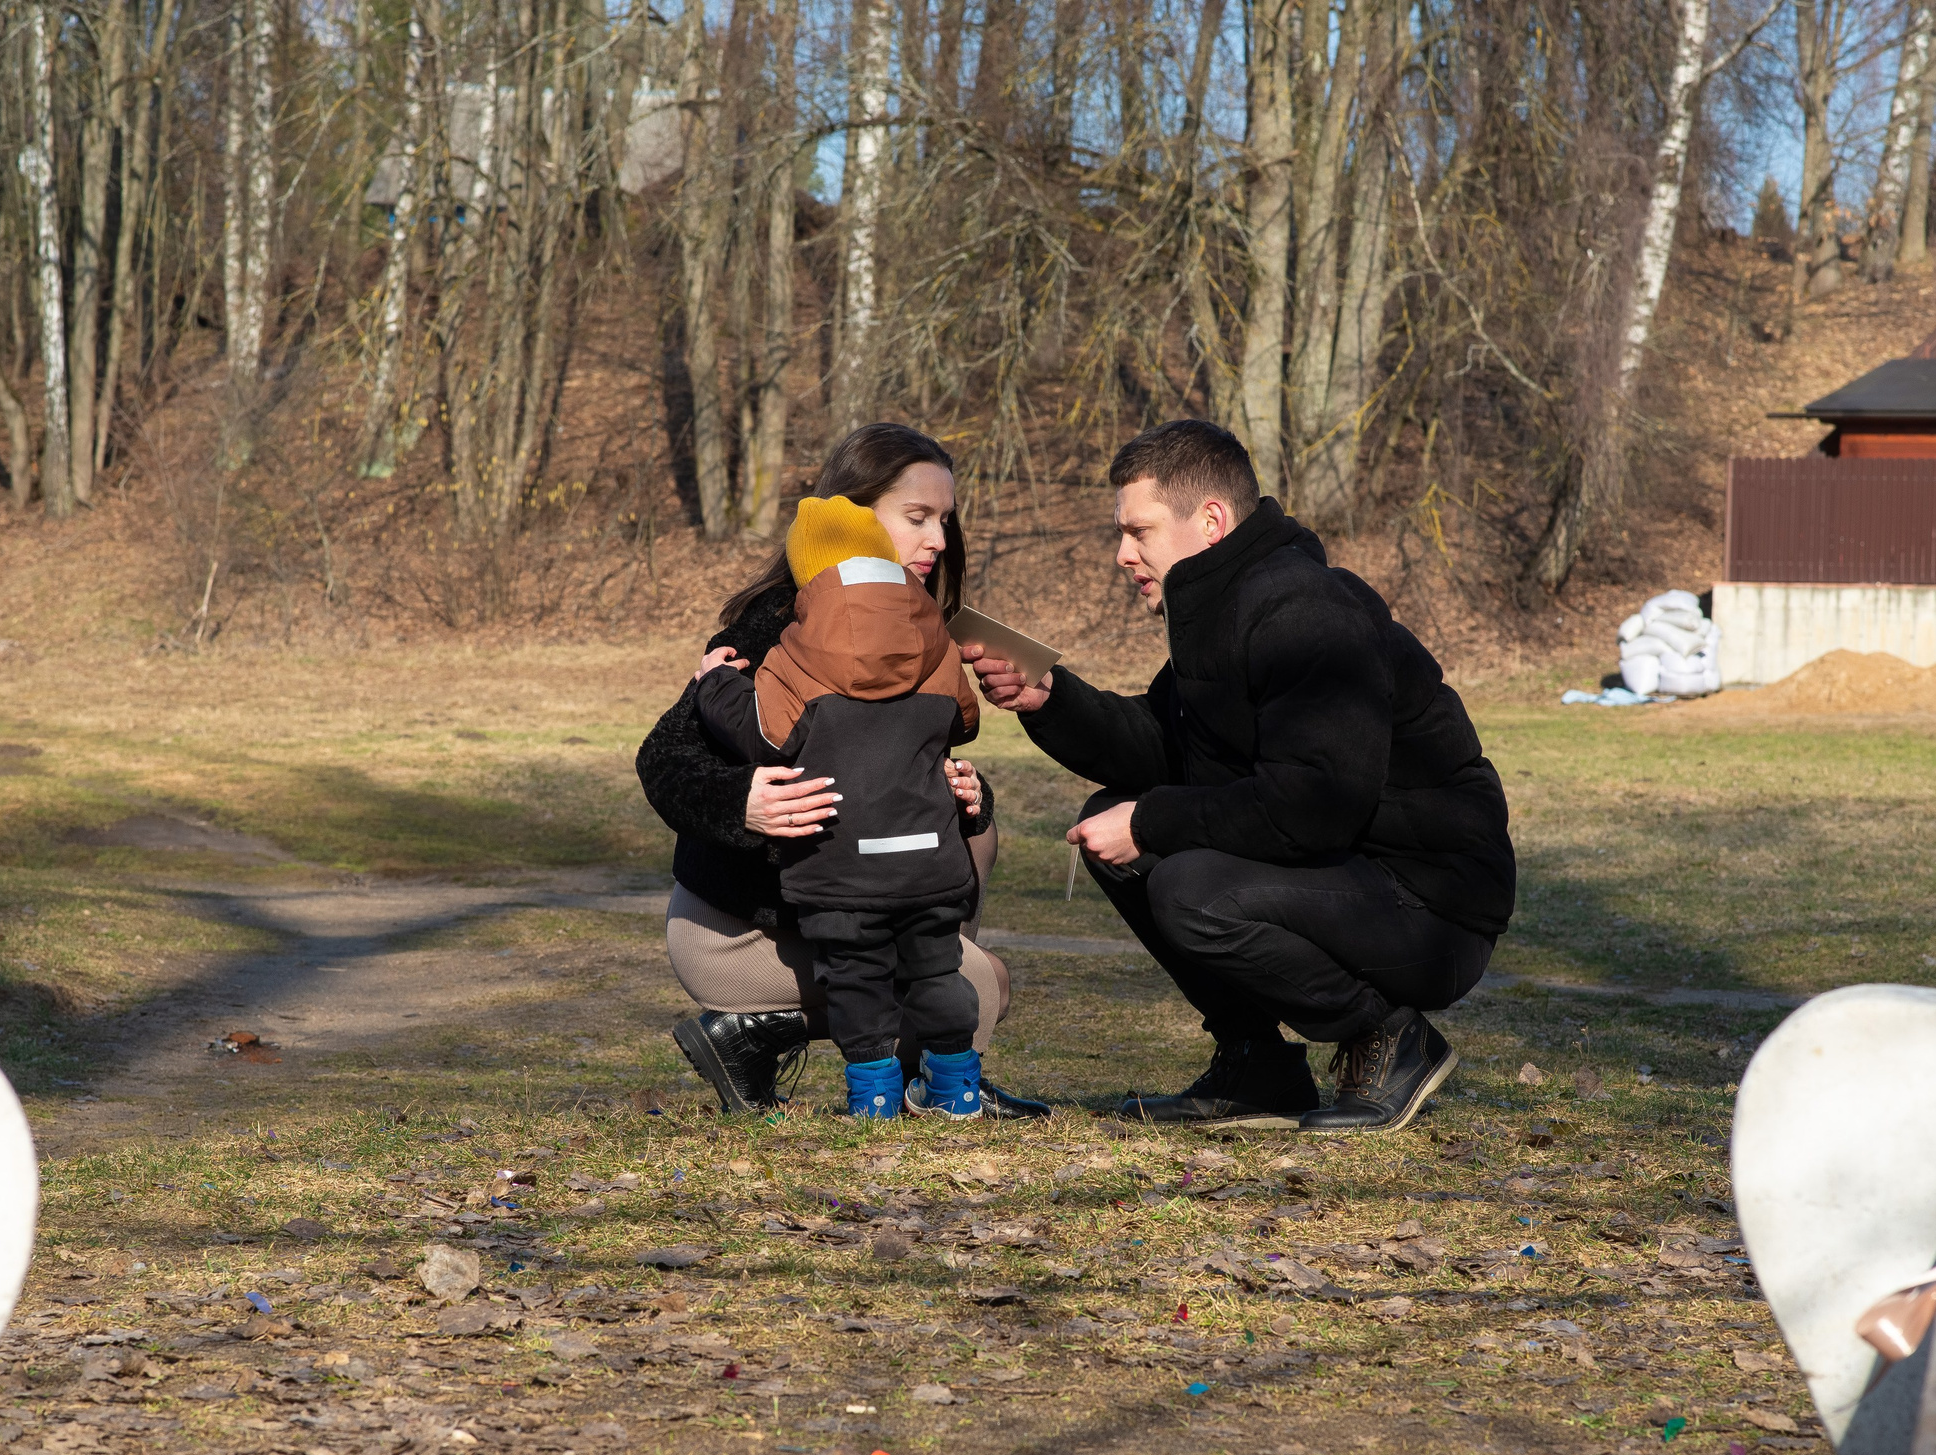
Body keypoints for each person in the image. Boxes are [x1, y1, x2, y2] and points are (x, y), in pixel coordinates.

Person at [966, 419, 1514, 1131]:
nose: (1123, 554)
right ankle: (1257, 1066)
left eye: (1140, 531)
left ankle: (1389, 1039)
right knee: (1120, 823)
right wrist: (1050, 696)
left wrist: (1149, 822)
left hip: (1430, 906)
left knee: (1188, 885)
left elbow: (1316, 804)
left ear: (1212, 520)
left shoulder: (1302, 609)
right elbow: (1163, 748)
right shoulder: (1225, 607)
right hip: (1350, 873)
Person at [636, 422, 1046, 1118]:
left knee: (979, 859)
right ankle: (751, 1030)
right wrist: (743, 802)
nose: (939, 540)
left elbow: (893, 781)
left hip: (855, 906)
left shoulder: (917, 628)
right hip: (734, 932)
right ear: (851, 515)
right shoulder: (778, 623)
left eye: (945, 520)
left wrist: (965, 795)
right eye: (917, 517)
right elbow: (664, 756)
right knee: (982, 987)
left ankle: (916, 1063)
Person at [694, 495, 984, 1118]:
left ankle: (873, 1096)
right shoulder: (933, 639)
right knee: (938, 971)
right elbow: (964, 722)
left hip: (838, 869)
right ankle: (957, 1086)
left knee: (856, 978)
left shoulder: (796, 655)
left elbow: (759, 734)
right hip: (927, 864)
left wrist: (715, 682)